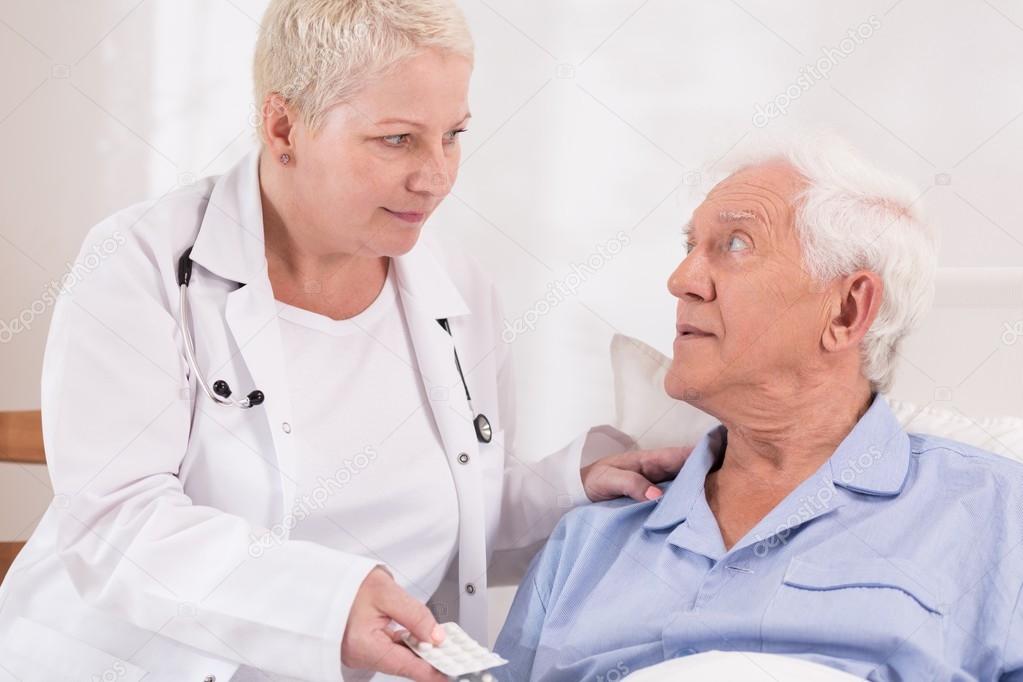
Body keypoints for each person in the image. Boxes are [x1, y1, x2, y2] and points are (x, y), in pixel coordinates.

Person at [0, 2, 689, 680]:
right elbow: (118, 528)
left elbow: (454, 518)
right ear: (283, 127)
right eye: (398, 139)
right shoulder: (138, 263)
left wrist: (569, 488)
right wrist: (329, 607)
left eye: (452, 134)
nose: (437, 177)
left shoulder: (461, 291)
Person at [493, 136, 1023, 681]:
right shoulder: (590, 542)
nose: (681, 280)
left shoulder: (999, 515)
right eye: (690, 245)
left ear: (845, 309)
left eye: (736, 244)